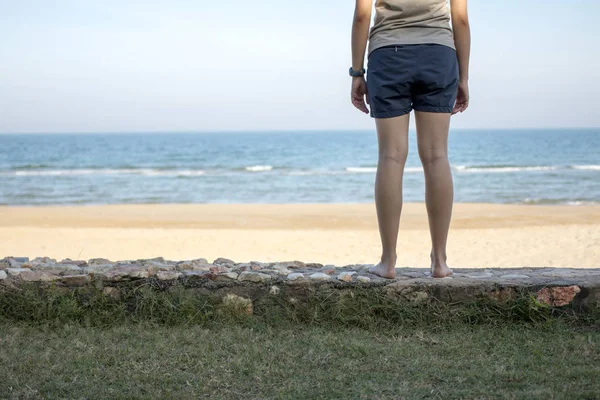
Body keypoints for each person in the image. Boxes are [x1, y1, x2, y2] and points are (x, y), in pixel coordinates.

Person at [350, 0, 470, 278]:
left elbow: (361, 16)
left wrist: (357, 73)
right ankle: (440, 261)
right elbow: (461, 20)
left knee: (391, 156)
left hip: (388, 55)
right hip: (439, 55)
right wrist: (463, 77)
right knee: (437, 156)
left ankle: (388, 261)